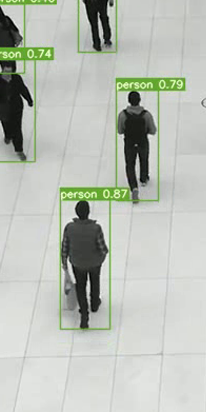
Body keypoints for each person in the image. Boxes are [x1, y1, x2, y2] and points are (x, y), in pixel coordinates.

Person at [61, 200, 109, 329]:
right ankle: (94, 303)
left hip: (77, 263)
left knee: (80, 285)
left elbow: (65, 246)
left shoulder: (69, 228)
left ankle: (84, 312)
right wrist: (101, 257)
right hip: (94, 262)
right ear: (88, 212)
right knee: (95, 281)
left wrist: (64, 262)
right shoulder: (96, 228)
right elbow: (103, 248)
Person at [0, 61, 33, 161]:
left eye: (10, 72)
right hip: (2, 107)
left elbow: (23, 89)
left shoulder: (16, 79)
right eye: (6, 71)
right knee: (5, 123)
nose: (8, 74)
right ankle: (8, 135)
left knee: (17, 128)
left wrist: (29, 100)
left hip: (16, 107)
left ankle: (19, 149)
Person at [117, 91, 157, 204]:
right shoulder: (146, 115)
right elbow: (153, 130)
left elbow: (120, 131)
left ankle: (134, 187)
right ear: (139, 100)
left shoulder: (123, 115)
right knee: (144, 159)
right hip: (142, 141)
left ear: (129, 101)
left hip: (129, 142)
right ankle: (144, 178)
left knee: (130, 165)